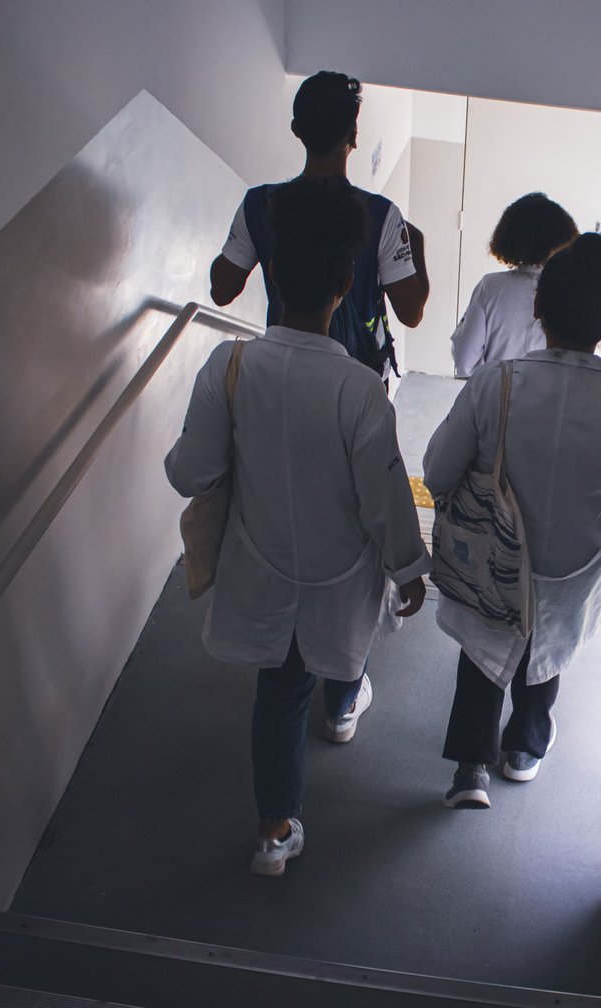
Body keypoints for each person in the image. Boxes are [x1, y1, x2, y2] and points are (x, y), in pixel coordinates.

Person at [166, 180, 429, 875]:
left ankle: (274, 834)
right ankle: (343, 705)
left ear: (274, 275)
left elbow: (189, 473)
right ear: (347, 285)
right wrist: (408, 566)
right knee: (344, 644)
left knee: (279, 691)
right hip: (342, 573)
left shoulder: (229, 365)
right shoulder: (360, 391)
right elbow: (383, 498)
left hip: (262, 562)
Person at [423, 234, 601, 808]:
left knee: (482, 650)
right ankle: (524, 749)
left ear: (538, 307)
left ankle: (469, 770)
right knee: (547, 654)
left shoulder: (494, 384)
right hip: (569, 575)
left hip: (491, 563)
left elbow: (436, 472)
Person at [209, 71, 429, 383]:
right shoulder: (381, 216)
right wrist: (416, 243)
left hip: (280, 373)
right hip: (354, 379)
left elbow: (221, 291)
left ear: (296, 130)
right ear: (353, 135)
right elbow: (411, 313)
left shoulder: (259, 205)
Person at [449, 192, 578, 378]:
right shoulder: (573, 289)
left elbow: (464, 361)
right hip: (553, 399)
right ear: (566, 236)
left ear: (508, 236)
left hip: (497, 398)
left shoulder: (490, 287)